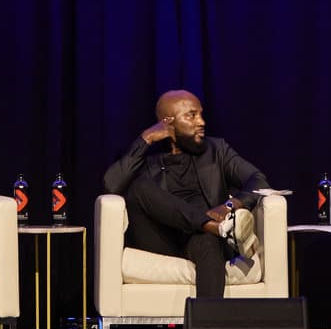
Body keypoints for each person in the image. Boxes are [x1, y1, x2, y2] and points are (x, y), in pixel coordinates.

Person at [101, 88, 270, 299]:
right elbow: (111, 184)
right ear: (168, 122)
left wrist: (230, 205)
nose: (202, 122)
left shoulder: (217, 150)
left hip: (202, 238)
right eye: (191, 115)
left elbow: (258, 180)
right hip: (162, 238)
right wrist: (146, 138)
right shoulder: (147, 156)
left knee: (208, 242)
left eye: (200, 114)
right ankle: (220, 228)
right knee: (138, 186)